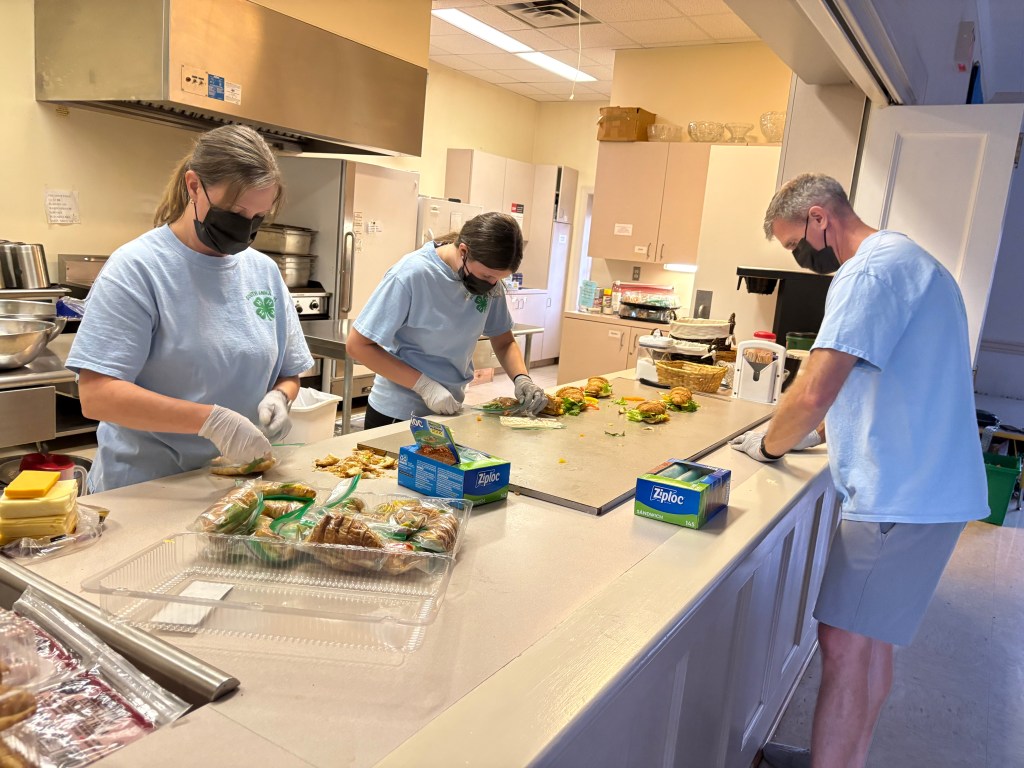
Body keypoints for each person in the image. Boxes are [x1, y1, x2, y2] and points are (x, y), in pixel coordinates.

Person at [730, 173, 988, 768]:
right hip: (929, 491)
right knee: (870, 644)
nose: (799, 256)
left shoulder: (867, 272)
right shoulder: (915, 263)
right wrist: (820, 434)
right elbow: (884, 381)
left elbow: (815, 389)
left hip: (897, 497)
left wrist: (767, 446)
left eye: (795, 242)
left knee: (844, 645)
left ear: (819, 218)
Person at [68, 125, 313, 493]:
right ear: (194, 186)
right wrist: (211, 421)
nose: (244, 229)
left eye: (258, 217)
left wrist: (281, 396)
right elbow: (97, 395)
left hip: (239, 486)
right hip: (147, 490)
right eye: (234, 212)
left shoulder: (263, 272)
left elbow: (289, 372)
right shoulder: (138, 268)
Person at [347, 211, 547, 429]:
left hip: (449, 408)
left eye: (499, 279)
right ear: (464, 251)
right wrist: (425, 386)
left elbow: (504, 341)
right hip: (398, 413)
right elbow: (358, 346)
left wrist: (521, 378)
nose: (493, 284)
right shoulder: (411, 274)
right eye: (487, 276)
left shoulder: (490, 283)